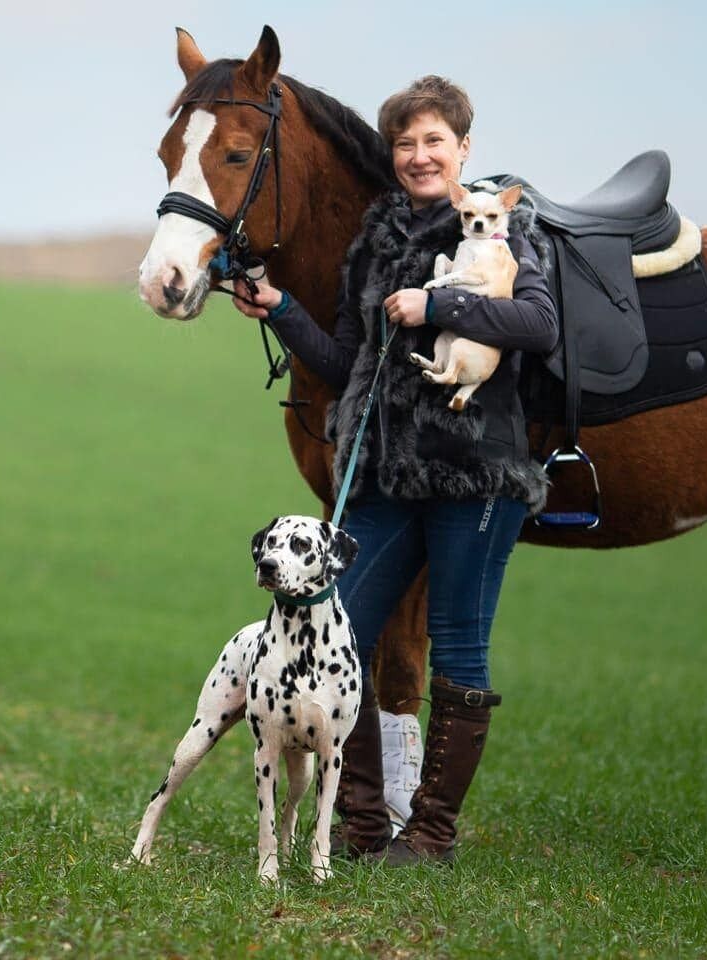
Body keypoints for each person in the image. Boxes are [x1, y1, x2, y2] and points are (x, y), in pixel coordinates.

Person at [233, 75, 558, 865]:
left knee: (457, 646)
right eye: (404, 144)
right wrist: (279, 308)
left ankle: (432, 834)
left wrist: (439, 306)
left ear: (462, 149)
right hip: (382, 475)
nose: (418, 156)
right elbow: (349, 362)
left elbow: (538, 324)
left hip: (475, 476)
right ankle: (365, 823)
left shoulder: (507, 227)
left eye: (433, 142)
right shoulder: (375, 238)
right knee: (339, 629)